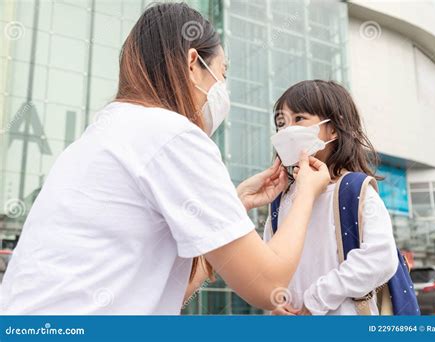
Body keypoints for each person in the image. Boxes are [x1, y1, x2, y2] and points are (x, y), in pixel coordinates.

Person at [0, 3, 330, 314]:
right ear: (192, 63)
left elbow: (166, 289)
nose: (223, 88)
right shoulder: (172, 135)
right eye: (222, 73)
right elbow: (269, 283)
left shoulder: (103, 135)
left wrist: (236, 203)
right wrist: (305, 193)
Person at [266, 80, 399, 315]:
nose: (287, 129)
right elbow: (267, 261)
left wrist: (315, 299)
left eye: (298, 119)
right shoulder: (281, 200)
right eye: (281, 122)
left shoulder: (354, 190)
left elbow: (381, 258)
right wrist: (273, 300)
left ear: (334, 128)